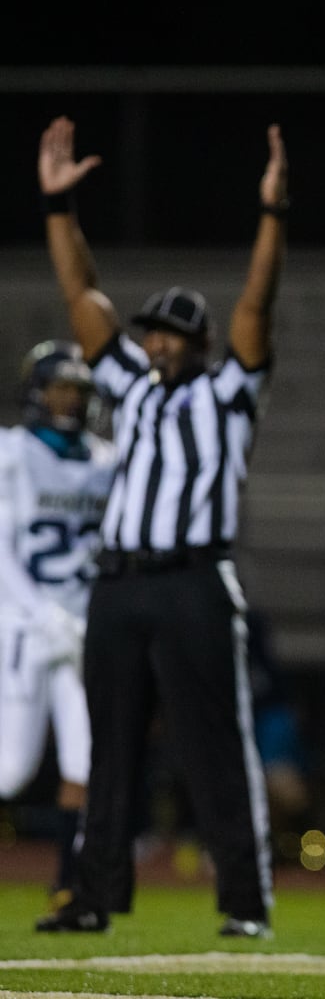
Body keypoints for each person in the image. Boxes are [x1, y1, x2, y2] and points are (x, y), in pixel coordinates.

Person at [33, 115, 289, 939]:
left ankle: (244, 903)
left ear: (201, 342)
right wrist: (58, 210)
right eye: (152, 330)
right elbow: (82, 297)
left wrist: (271, 219)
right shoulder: (131, 386)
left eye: (173, 333)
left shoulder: (227, 393)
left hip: (191, 579)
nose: (156, 342)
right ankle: (95, 895)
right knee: (110, 747)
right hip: (119, 581)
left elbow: (257, 304)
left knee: (215, 744)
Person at [0, 341, 115, 905]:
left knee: (85, 758)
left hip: (83, 627)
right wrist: (40, 611)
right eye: (60, 388)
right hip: (21, 627)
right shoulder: (11, 452)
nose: (69, 400)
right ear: (38, 392)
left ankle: (68, 883)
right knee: (11, 771)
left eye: (79, 389)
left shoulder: (105, 459)